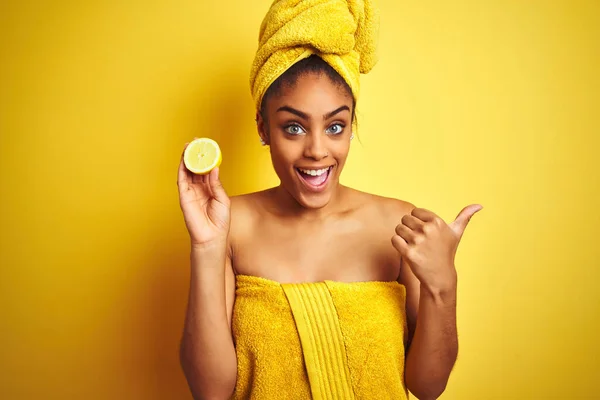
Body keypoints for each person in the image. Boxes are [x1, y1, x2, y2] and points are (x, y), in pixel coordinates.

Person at [177, 1, 482, 399]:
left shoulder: (400, 226)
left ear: (351, 125)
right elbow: (210, 391)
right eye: (293, 127)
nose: (317, 150)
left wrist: (444, 285)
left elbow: (427, 386)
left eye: (335, 126)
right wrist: (205, 246)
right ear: (264, 127)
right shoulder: (231, 226)